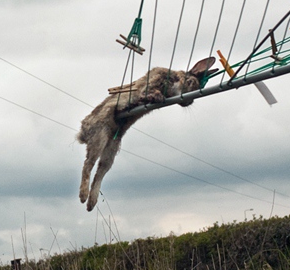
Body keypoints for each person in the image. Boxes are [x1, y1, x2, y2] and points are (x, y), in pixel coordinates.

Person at [78, 57, 216, 210]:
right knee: (99, 143)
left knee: (109, 157)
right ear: (186, 79)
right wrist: (154, 93)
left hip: (119, 127)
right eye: (189, 85)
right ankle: (86, 176)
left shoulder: (170, 95)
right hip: (106, 118)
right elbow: (143, 92)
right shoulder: (163, 75)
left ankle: (96, 186)